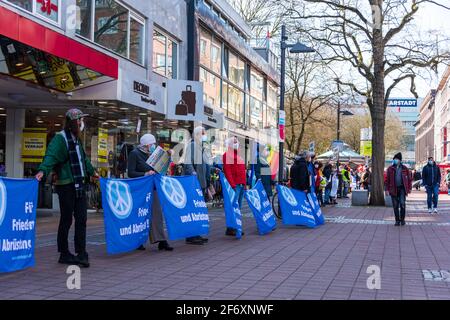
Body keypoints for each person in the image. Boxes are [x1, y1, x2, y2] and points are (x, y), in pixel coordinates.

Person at [35, 109, 96, 267]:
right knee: (67, 220)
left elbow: (83, 159)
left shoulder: (77, 139)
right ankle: (64, 253)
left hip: (79, 183)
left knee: (81, 219)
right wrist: (43, 170)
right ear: (74, 122)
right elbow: (50, 156)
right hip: (66, 185)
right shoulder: (60, 138)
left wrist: (93, 172)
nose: (82, 123)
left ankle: (81, 253)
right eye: (80, 120)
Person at [127, 133, 173, 251]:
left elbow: (160, 169)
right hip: (140, 190)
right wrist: (145, 174)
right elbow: (131, 173)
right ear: (146, 144)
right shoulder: (134, 154)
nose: (154, 146)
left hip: (153, 187)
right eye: (152, 144)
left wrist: (167, 157)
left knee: (157, 213)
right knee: (139, 215)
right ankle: (137, 241)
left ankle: (161, 241)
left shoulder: (153, 155)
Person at [183, 126, 211, 245]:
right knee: (193, 209)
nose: (205, 135)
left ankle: (196, 233)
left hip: (201, 183)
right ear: (197, 134)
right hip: (194, 183)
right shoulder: (193, 145)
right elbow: (188, 162)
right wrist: (192, 173)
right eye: (203, 133)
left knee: (198, 210)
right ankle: (191, 235)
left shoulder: (201, 147)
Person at [223, 136, 247, 236]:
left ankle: (234, 227)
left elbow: (243, 171)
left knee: (238, 207)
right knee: (233, 207)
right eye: (234, 142)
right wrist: (232, 184)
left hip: (240, 185)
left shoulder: (239, 156)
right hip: (235, 185)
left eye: (237, 142)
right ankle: (232, 227)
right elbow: (227, 171)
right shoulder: (227, 155)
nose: (236, 143)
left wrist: (245, 184)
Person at [385, 152, 412, 226]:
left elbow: (409, 179)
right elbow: (387, 180)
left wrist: (409, 188)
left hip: (402, 189)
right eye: (394, 159)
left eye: (396, 159)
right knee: (395, 205)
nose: (395, 160)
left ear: (400, 160)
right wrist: (386, 189)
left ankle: (402, 220)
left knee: (402, 204)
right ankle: (397, 220)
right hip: (393, 189)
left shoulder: (404, 168)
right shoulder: (390, 168)